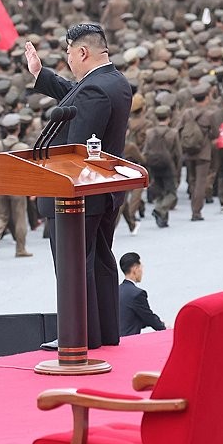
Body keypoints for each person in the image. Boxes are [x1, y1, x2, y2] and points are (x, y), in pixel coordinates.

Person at [24, 22, 132, 349]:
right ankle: (101, 333)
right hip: (103, 190)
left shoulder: (95, 89)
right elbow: (76, 96)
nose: (68, 59)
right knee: (98, 260)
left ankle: (78, 335)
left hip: (77, 192)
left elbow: (76, 148)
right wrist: (41, 74)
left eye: (69, 53)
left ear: (82, 52)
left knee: (74, 265)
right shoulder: (113, 81)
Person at [117, 252, 164, 336]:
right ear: (135, 269)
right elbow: (148, 317)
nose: (142, 271)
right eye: (141, 268)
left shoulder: (117, 291)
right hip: (130, 340)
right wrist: (164, 327)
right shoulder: (137, 294)